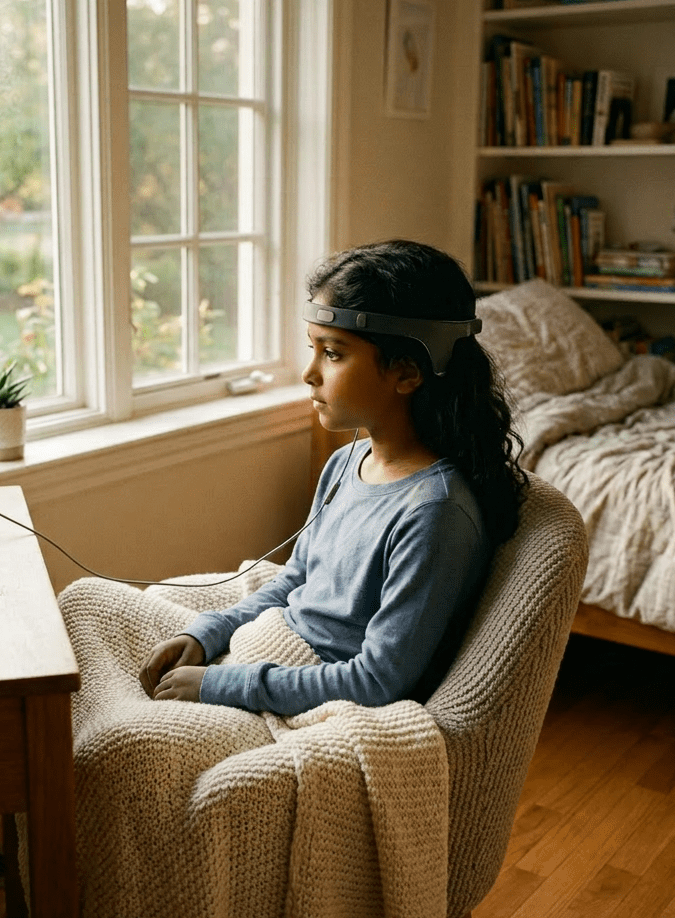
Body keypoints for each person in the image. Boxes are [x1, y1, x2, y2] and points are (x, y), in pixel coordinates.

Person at [139, 239, 527, 715]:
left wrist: (222, 684)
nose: (309, 373)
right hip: (271, 653)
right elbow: (295, 581)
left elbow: (378, 680)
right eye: (313, 349)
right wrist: (206, 633)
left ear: (407, 373)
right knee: (86, 600)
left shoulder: (435, 513)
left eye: (334, 354)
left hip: (317, 697)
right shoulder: (346, 462)